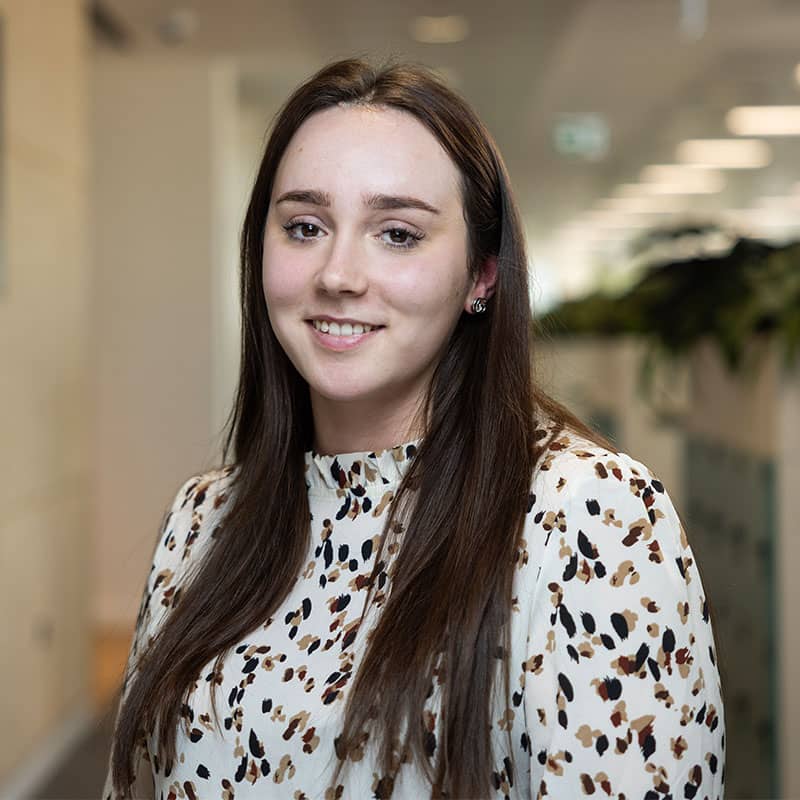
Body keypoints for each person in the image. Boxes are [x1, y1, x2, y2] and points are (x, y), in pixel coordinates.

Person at [102, 57, 725, 800]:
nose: (338, 273)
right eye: (304, 226)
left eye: (396, 234)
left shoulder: (589, 518)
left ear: (482, 275)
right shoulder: (203, 521)